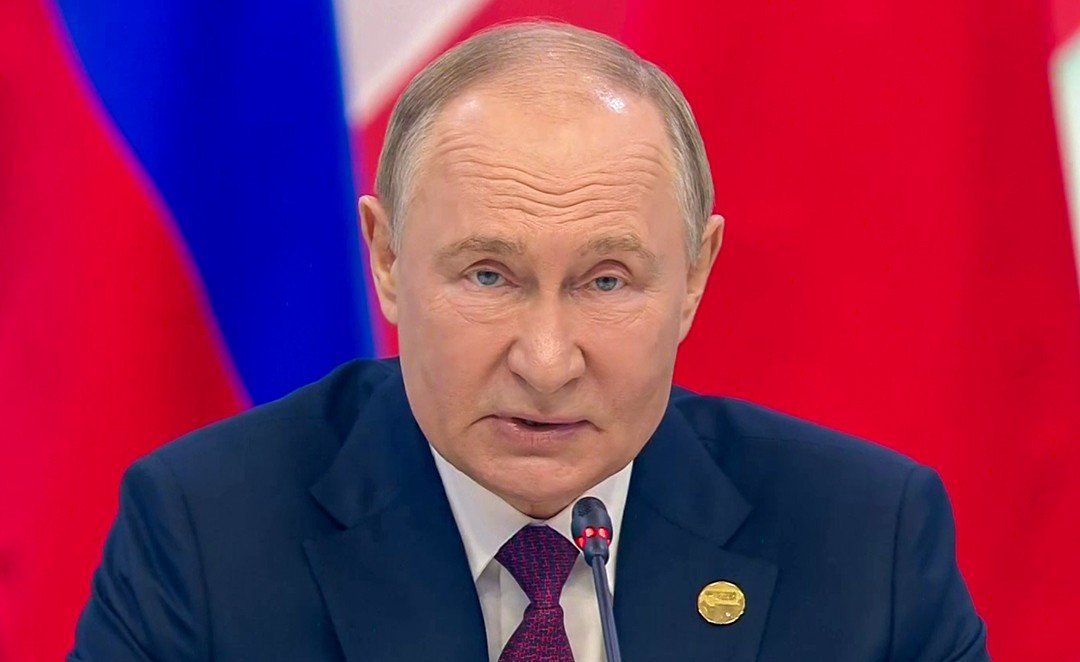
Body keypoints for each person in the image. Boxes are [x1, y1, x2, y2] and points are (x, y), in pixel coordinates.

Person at [71, 21, 988, 661]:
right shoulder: (206, 536)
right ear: (386, 259)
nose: (546, 363)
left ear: (695, 276)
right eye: (488, 276)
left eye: (606, 281)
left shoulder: (866, 543)